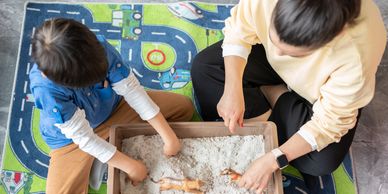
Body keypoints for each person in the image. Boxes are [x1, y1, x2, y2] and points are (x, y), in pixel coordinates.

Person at [191, 0, 386, 193]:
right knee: (204, 68)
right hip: (268, 60)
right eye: (275, 40)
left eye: (291, 53)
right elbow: (239, 29)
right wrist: (232, 88)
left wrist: (274, 159)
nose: (278, 54)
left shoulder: (357, 56)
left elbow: (331, 123)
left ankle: (274, 92)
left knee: (321, 162)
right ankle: (281, 101)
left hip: (320, 94)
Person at [30, 18, 194, 193]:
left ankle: (106, 150)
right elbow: (83, 137)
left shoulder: (96, 48)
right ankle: (102, 155)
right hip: (71, 141)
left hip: (115, 109)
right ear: (47, 75)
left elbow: (131, 90)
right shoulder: (45, 89)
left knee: (184, 108)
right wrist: (131, 167)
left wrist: (169, 138)